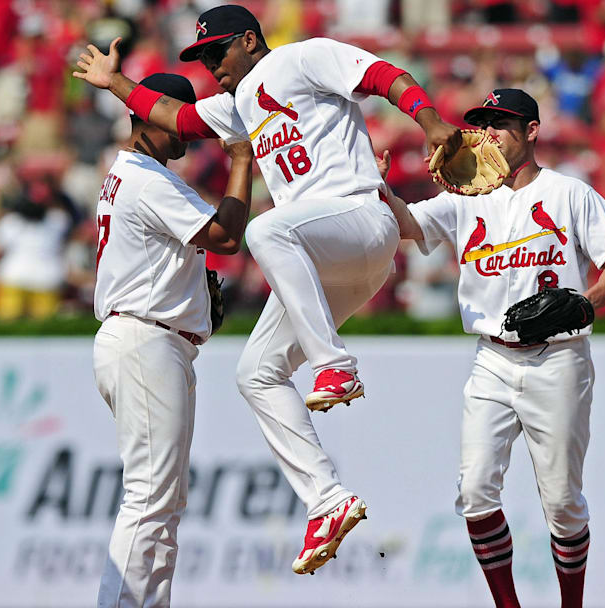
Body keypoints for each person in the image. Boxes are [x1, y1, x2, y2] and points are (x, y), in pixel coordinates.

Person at [73, 3, 462, 575]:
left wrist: (429, 121)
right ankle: (327, 499)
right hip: (323, 254)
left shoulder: (303, 57)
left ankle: (335, 365)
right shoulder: (236, 105)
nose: (210, 65)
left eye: (216, 51)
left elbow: (381, 75)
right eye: (201, 57)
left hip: (356, 219)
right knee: (255, 373)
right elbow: (177, 120)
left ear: (250, 40)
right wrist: (116, 85)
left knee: (264, 228)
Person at [378, 89, 605, 608]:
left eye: (502, 122)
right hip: (492, 360)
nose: (490, 131)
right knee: (475, 495)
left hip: (558, 360)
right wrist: (379, 190)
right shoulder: (464, 197)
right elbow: (407, 226)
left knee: (563, 503)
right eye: (484, 122)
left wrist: (585, 304)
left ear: (532, 131)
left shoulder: (570, 193)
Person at [90, 73, 252, 608]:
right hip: (146, 339)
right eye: (176, 114)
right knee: (150, 498)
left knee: (162, 499)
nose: (186, 127)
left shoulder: (132, 172)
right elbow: (226, 237)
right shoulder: (147, 178)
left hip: (148, 337)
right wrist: (242, 161)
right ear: (148, 115)